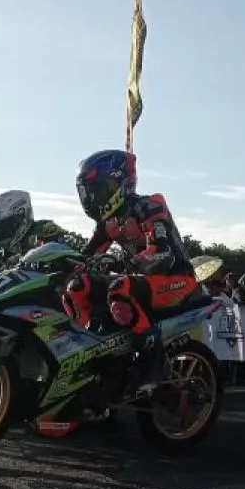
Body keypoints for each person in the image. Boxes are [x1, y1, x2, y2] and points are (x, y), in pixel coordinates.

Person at [70, 149, 203, 395]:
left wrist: (122, 264)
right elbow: (85, 256)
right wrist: (61, 262)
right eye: (88, 191)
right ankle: (83, 351)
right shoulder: (108, 222)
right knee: (78, 285)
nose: (93, 197)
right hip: (144, 281)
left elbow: (162, 252)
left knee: (119, 288)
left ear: (121, 183)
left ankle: (153, 356)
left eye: (99, 189)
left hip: (176, 278)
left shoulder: (149, 206)